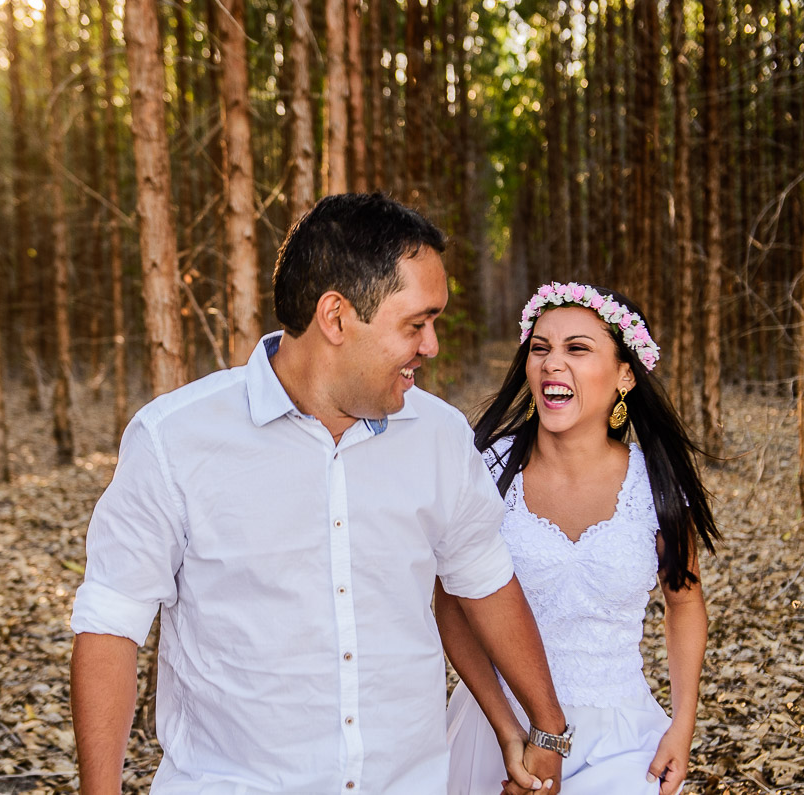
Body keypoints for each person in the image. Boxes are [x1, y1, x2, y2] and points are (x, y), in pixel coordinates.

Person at [69, 193, 572, 795]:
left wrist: (544, 729)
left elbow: (483, 580)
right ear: (335, 318)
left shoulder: (439, 437)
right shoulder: (174, 440)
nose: (432, 346)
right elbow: (111, 625)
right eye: (416, 324)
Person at [436, 282, 719, 795]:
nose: (551, 363)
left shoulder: (654, 483)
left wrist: (683, 723)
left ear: (625, 375)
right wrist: (507, 730)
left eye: (577, 349)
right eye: (540, 348)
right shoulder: (487, 470)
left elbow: (685, 602)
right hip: (500, 729)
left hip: (619, 737)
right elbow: (452, 606)